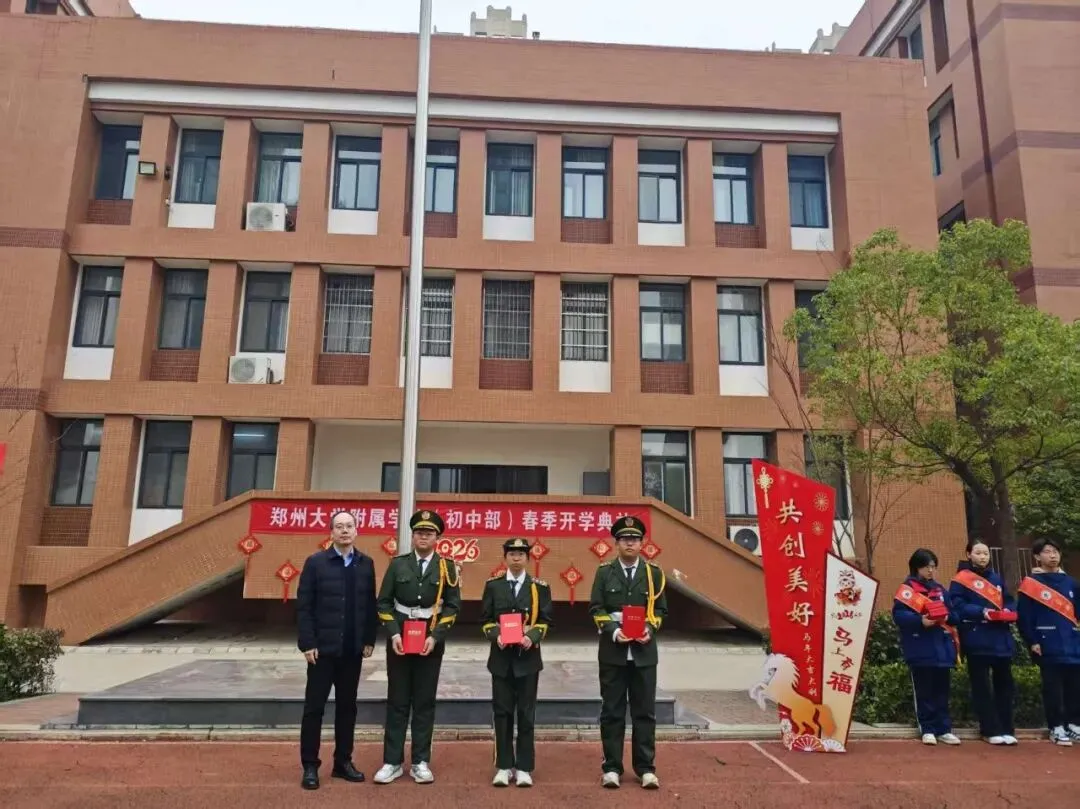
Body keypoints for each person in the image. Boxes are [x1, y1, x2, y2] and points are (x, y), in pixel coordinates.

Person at [372, 509, 462, 785]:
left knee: (424, 702)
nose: (424, 537)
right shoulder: (398, 565)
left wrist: (436, 636)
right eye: (419, 532)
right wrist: (393, 633)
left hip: (429, 640)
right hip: (400, 639)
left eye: (429, 533)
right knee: (397, 701)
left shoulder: (447, 568)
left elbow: (452, 606)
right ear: (413, 536)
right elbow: (384, 602)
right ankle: (392, 761)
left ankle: (420, 761)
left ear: (437, 538)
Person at [295, 509, 378, 790]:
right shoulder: (316, 563)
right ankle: (310, 765)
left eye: (349, 526)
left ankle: (343, 762)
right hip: (322, 652)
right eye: (339, 526)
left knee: (347, 708)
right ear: (331, 532)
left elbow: (369, 604)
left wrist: (369, 638)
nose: (344, 531)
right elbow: (304, 606)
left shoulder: (366, 564)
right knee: (314, 709)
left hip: (351, 650)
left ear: (356, 531)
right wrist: (307, 643)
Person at [588, 515, 667, 790]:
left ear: (642, 543)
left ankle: (646, 768)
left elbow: (660, 610)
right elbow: (596, 608)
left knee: (645, 712)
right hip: (613, 651)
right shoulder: (604, 572)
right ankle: (611, 767)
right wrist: (612, 630)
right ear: (617, 543)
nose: (629, 543)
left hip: (644, 652)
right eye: (624, 539)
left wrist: (650, 628)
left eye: (634, 539)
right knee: (612, 711)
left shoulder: (654, 574)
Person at [480, 537, 554, 788]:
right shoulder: (493, 586)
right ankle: (503, 766)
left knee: (526, 714)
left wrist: (531, 637)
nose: (516, 558)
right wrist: (496, 636)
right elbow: (486, 619)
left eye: (521, 554)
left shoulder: (539, 587)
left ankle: (524, 767)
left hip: (527, 660)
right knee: (502, 714)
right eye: (512, 554)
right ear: (505, 558)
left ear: (527, 558)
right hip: (501, 659)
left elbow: (546, 620)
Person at [948, 539, 1018, 746]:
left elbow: (1008, 599)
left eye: (986, 553)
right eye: (978, 553)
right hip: (977, 637)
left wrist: (1008, 610)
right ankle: (989, 729)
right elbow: (957, 605)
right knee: (982, 687)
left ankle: (1007, 728)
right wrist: (982, 612)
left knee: (1005, 685)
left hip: (1000, 638)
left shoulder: (996, 578)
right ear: (969, 554)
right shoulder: (960, 579)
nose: (983, 557)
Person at [892, 547, 961, 746]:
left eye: (933, 567)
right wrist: (920, 621)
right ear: (916, 567)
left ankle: (944, 729)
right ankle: (927, 728)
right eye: (927, 567)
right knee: (924, 691)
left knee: (942, 691)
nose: (931, 571)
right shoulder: (907, 590)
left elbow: (955, 615)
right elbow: (899, 615)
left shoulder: (940, 590)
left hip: (942, 648)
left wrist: (947, 617)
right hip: (920, 646)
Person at [1017, 537, 1080, 746]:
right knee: (1053, 688)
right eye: (1047, 551)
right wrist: (1032, 640)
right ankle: (1056, 726)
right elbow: (1025, 616)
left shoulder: (1071, 583)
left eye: (1055, 551)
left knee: (1074, 686)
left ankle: (1073, 724)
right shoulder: (1031, 584)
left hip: (1072, 641)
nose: (1052, 555)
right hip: (1047, 642)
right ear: (1037, 556)